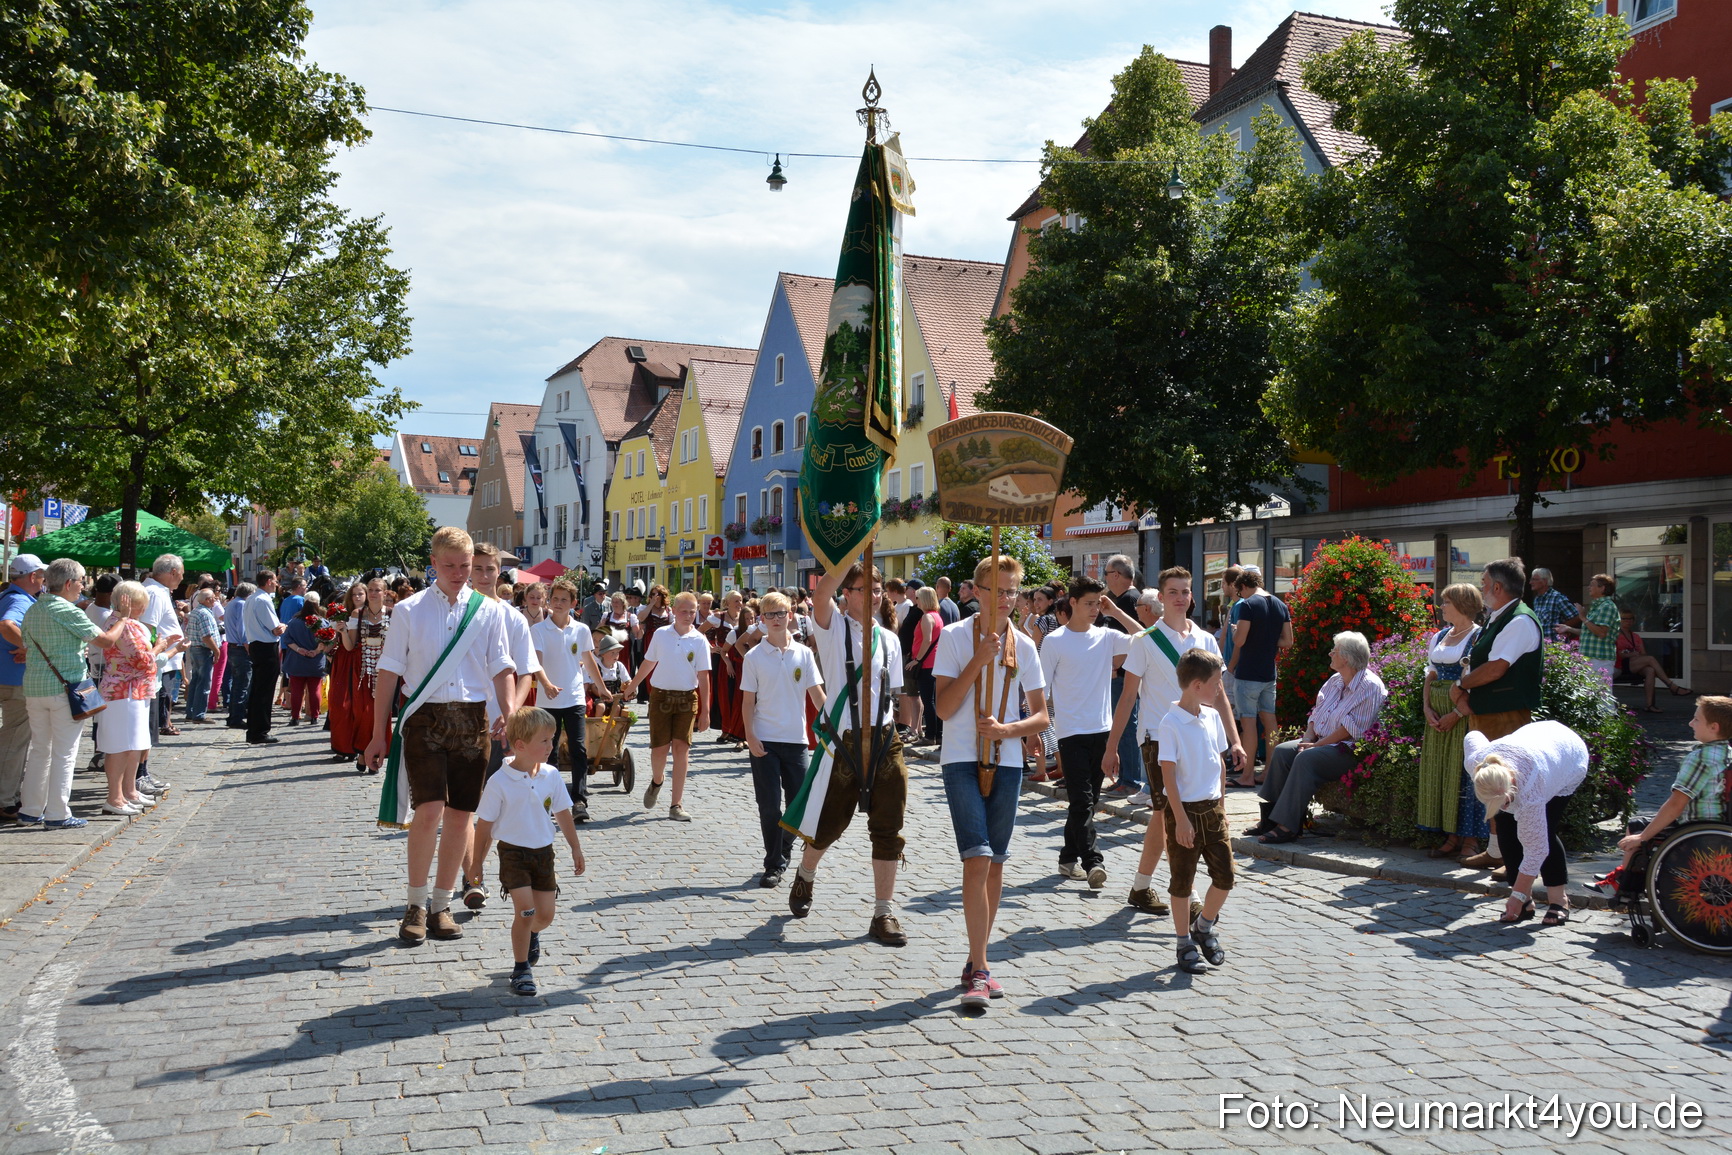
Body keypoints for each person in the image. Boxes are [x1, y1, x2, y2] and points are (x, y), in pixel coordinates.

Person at [363, 526, 516, 944]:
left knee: (460, 817)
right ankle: (414, 903)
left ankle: (441, 903)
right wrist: (379, 734)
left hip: (471, 721)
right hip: (424, 721)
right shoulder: (409, 610)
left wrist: (510, 711)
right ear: (433, 564)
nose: (458, 573)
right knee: (428, 812)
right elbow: (389, 672)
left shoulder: (488, 610)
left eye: (465, 566)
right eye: (449, 565)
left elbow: (503, 665)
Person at [932, 555, 1048, 1009]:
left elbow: (1039, 715)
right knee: (976, 858)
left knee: (996, 861)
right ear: (976, 592)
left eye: (1012, 591)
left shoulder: (1026, 646)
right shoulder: (956, 637)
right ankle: (980, 970)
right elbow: (943, 709)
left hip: (1008, 761)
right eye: (996, 590)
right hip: (961, 758)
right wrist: (979, 660)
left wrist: (1008, 731)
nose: (1005, 599)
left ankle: (975, 955)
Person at [780, 558, 909, 946]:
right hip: (846, 742)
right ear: (846, 596)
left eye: (875, 588)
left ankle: (883, 912)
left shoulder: (889, 638)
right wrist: (848, 554)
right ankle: (806, 872)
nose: (870, 595)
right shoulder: (834, 628)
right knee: (828, 825)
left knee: (889, 827)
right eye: (861, 589)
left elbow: (894, 695)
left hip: (885, 741)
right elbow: (820, 593)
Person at [1103, 568, 1245, 914]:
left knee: (1164, 813)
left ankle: (1140, 886)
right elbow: (1127, 698)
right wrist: (1111, 747)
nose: (1181, 597)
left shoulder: (1206, 640)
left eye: (1186, 591)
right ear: (1161, 598)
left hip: (1200, 737)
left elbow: (1220, 695)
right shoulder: (1146, 640)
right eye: (1173, 592)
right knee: (1171, 811)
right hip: (1157, 738)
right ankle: (1190, 895)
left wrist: (1235, 740)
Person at [470, 706, 587, 996]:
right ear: (520, 745)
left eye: (552, 739)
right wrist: (476, 865)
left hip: (543, 854)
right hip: (513, 854)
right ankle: (521, 969)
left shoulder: (551, 775)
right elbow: (484, 827)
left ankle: (532, 933)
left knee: (544, 916)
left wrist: (575, 848)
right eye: (544, 741)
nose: (551, 746)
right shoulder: (499, 782)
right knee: (525, 910)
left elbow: (562, 813)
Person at [1250, 631, 1387, 844]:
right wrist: (1308, 740)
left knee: (1306, 759)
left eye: (1335, 650)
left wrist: (1315, 746)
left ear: (1347, 658)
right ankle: (1269, 819)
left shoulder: (1370, 686)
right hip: (1322, 742)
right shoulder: (1334, 681)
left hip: (1348, 749)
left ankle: (1288, 826)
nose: (1330, 653)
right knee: (1283, 751)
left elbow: (1349, 730)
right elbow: (1316, 715)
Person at [17, 560, 125, 828]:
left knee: (40, 749)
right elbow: (106, 641)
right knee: (65, 753)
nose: (82, 586)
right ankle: (57, 813)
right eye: (81, 581)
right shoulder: (69, 610)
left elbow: (26, 644)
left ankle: (30, 810)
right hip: (65, 689)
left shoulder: (33, 608)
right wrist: (123, 619)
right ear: (68, 583)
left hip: (35, 687)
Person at [1039, 574, 1130, 888]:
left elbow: (1147, 638)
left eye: (1098, 603)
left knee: (1086, 803)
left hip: (1102, 731)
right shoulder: (1054, 642)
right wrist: (1035, 731)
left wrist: (1115, 612)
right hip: (1070, 732)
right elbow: (1040, 688)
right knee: (1081, 800)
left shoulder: (1106, 636)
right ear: (1072, 603)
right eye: (1089, 603)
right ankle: (1093, 862)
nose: (1094, 609)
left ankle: (1067, 858)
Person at [1453, 558, 1543, 873]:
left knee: (1508, 785)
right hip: (1491, 712)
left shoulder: (1519, 620)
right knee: (1492, 784)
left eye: (1483, 582)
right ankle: (1497, 850)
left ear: (1497, 587)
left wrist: (1461, 683)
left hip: (1506, 715)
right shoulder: (1501, 617)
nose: (1481, 588)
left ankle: (1514, 857)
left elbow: (1496, 668)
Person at [1602, 696, 1730, 902]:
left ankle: (1623, 886)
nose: (1690, 723)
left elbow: (1676, 805)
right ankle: (1621, 877)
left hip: (1697, 828)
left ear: (1714, 727)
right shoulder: (1726, 752)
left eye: (1696, 719)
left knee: (1636, 828)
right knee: (1640, 826)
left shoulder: (1701, 757)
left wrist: (1642, 837)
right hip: (1717, 822)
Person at [1156, 650, 1236, 974]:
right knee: (1182, 881)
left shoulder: (1212, 716)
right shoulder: (1170, 723)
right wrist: (1181, 820)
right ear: (1197, 684)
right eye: (1216, 683)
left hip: (1212, 810)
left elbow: (1219, 764)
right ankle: (1182, 942)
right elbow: (1168, 775)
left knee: (1226, 877)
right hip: (1183, 812)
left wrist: (1222, 805)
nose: (1220, 689)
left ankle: (1203, 926)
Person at [740, 591, 826, 889]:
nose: (776, 619)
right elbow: (748, 702)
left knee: (799, 805)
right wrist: (750, 735)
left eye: (781, 614)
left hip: (796, 740)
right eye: (769, 615)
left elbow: (816, 694)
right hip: (764, 739)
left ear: (791, 615)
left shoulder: (804, 653)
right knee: (769, 806)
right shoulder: (753, 657)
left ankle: (785, 846)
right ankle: (773, 863)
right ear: (761, 620)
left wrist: (834, 722)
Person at [1468, 719, 1589, 924]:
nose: (1504, 807)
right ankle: (1525, 904)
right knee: (1506, 828)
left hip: (1566, 756)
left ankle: (1559, 900)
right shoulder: (1478, 763)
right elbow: (1472, 736)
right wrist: (1520, 896)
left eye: (1505, 802)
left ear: (1511, 785)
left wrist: (1516, 895)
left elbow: (1537, 849)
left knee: (1544, 831)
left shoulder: (1532, 790)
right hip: (1533, 744)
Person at [622, 590, 710, 821]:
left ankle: (676, 804)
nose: (688, 615)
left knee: (682, 749)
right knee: (659, 749)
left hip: (686, 699)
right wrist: (632, 685)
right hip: (660, 697)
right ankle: (657, 780)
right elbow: (649, 663)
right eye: (684, 611)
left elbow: (703, 677)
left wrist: (706, 711)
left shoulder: (700, 640)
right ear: (674, 611)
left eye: (692, 612)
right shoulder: (661, 634)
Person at [529, 578, 612, 820]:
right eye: (555, 599)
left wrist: (602, 687)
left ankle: (579, 800)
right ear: (549, 600)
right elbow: (536, 662)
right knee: (549, 750)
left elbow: (588, 660)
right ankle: (553, 799)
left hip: (574, 697)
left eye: (564, 599)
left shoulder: (581, 629)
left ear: (573, 603)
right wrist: (546, 684)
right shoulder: (538, 630)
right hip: (547, 700)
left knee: (578, 748)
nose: (558, 603)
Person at [1417, 583, 1488, 860]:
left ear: (1461, 604)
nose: (1441, 607)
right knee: (1441, 772)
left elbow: (1475, 682)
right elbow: (1431, 675)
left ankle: (1471, 839)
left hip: (1463, 712)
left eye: (1446, 602)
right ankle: (1451, 835)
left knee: (1464, 772)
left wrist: (1456, 714)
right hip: (1436, 712)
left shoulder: (1478, 637)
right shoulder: (1440, 636)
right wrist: (1426, 707)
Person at [95, 581, 169, 817]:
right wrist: (159, 648)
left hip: (133, 690)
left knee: (134, 743)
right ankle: (115, 797)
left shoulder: (127, 623)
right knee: (120, 745)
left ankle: (129, 791)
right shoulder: (123, 623)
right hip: (122, 691)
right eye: (140, 604)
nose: (144, 608)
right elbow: (142, 660)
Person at [1227, 566, 1293, 788]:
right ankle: (1268, 772)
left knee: (1248, 723)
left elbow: (1240, 641)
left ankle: (1246, 775)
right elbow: (1287, 641)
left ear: (1243, 586)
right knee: (1270, 722)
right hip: (1268, 673)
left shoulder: (1247, 605)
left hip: (1248, 673)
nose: (1241, 596)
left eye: (1240, 591)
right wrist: (1267, 640)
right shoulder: (1280, 604)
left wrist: (1236, 631)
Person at [0, 554, 47, 821]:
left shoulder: (9, 595)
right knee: (14, 742)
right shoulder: (18, 599)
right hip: (13, 681)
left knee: (12, 740)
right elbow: (7, 624)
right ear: (32, 577)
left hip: (9, 678)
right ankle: (6, 800)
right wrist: (29, 649)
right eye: (41, 575)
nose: (43, 580)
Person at [1098, 555, 1146, 797]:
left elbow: (1136, 640)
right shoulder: (1123, 599)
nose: (1104, 578)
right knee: (1123, 725)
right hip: (1118, 673)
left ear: (1116, 575)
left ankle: (1131, 779)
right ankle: (1126, 777)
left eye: (1106, 573)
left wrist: (1115, 666)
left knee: (1127, 725)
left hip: (1124, 675)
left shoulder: (1129, 600)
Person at [335, 578, 389, 770]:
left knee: (381, 714)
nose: (374, 593)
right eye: (371, 590)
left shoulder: (392, 613)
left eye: (378, 590)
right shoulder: (358, 614)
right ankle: (362, 751)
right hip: (363, 669)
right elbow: (349, 646)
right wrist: (342, 632)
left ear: (385, 593)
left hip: (385, 670)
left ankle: (374, 755)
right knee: (364, 713)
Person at [142, 554, 186, 743]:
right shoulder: (155, 592)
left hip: (163, 659)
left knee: (161, 702)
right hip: (159, 661)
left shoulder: (158, 590)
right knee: (154, 711)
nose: (183, 578)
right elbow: (148, 628)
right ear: (173, 572)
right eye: (182, 574)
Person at [243, 570, 287, 745]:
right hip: (266, 647)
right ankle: (260, 731)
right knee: (265, 691)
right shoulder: (263, 599)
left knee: (257, 690)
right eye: (275, 581)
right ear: (269, 581)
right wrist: (283, 626)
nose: (276, 584)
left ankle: (254, 729)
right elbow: (276, 628)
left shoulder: (251, 598)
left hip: (256, 644)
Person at [1615, 609, 1688, 712]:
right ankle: (1671, 685)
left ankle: (1650, 705)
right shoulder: (1615, 635)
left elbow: (1643, 653)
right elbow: (1615, 655)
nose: (1628, 621)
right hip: (1621, 664)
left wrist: (1638, 656)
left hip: (1635, 663)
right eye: (1624, 619)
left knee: (1650, 670)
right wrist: (1630, 654)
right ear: (1619, 620)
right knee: (1651, 659)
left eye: (1630, 618)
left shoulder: (1635, 636)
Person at [1563, 573, 1620, 688]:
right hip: (1591, 658)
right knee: (1591, 697)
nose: (1588, 587)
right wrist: (1568, 628)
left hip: (1600, 659)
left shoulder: (1607, 606)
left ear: (1602, 588)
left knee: (1602, 698)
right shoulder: (1598, 606)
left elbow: (1601, 633)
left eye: (1592, 585)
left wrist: (1583, 617)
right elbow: (1589, 633)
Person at [909, 586, 944, 749]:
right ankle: (937, 734)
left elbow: (927, 640)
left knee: (927, 700)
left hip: (927, 663)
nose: (916, 601)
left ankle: (931, 735)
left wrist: (917, 659)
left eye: (918, 597)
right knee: (933, 700)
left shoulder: (927, 617)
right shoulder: (936, 616)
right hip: (935, 662)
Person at [281, 601, 327, 725]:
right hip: (315, 662)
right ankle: (314, 716)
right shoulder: (322, 623)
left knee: (297, 690)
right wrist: (316, 651)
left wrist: (299, 650)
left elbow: (287, 640)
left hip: (297, 661)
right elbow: (327, 640)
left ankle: (295, 717)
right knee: (315, 690)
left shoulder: (293, 622)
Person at [181, 588, 221, 724]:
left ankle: (191, 711)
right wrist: (216, 651)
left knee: (196, 681)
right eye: (213, 598)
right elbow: (206, 636)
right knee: (203, 683)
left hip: (195, 649)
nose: (215, 600)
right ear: (208, 600)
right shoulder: (204, 613)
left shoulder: (195, 612)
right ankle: (198, 714)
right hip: (203, 650)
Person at [222, 582, 255, 729]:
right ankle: (237, 717)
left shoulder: (231, 603)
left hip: (233, 647)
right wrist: (250, 650)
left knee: (237, 684)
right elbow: (243, 631)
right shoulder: (241, 605)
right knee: (242, 685)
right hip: (241, 649)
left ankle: (233, 716)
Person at [1528, 568, 1579, 643]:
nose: (1530, 582)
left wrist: (1564, 628)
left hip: (1556, 646)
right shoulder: (1537, 599)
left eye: (1534, 579)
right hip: (1542, 645)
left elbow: (1577, 616)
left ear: (1544, 581)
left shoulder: (1557, 598)